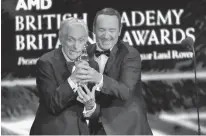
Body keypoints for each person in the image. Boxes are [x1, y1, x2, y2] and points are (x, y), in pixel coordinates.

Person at [80, 8, 153, 135]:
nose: (106, 35)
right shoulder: (84, 54)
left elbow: (125, 91)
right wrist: (89, 105)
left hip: (128, 130)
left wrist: (99, 79)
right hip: (97, 129)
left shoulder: (130, 54)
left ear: (119, 31)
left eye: (112, 30)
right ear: (93, 29)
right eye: (101, 30)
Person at [30, 18, 99, 135]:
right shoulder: (46, 62)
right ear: (61, 39)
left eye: (81, 40)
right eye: (71, 40)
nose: (76, 46)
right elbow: (53, 105)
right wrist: (73, 79)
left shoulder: (92, 65)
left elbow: (98, 110)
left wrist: (91, 106)